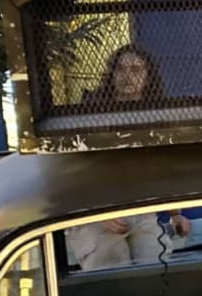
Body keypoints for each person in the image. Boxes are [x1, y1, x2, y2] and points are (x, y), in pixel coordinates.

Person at [66, 45, 189, 270]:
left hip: (140, 210)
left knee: (155, 270)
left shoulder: (157, 115)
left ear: (148, 76)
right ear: (111, 75)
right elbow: (77, 169)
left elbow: (164, 167)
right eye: (121, 69)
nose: (127, 76)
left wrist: (175, 214)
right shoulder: (91, 113)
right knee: (112, 270)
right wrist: (96, 212)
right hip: (96, 214)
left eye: (136, 70)